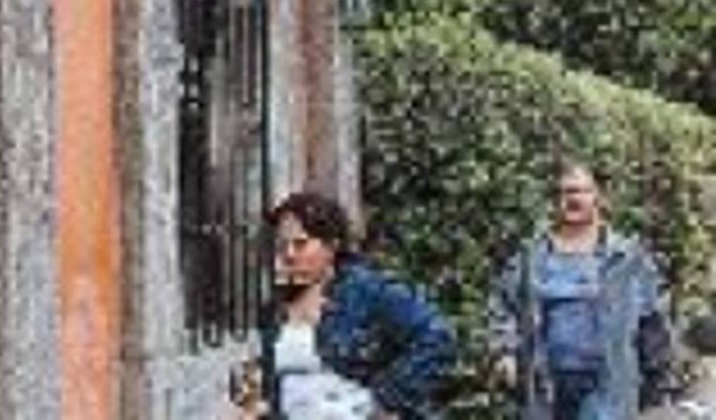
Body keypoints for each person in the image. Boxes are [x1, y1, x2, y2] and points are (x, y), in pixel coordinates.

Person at [237, 191, 455, 419]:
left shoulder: (366, 291)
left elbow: (438, 336)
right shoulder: (274, 309)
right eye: (282, 246)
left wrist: (383, 401)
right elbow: (282, 387)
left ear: (331, 245)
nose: (289, 255)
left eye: (300, 244)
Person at [489, 160, 675, 419]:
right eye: (565, 192)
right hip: (546, 393)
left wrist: (657, 383)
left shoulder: (626, 258)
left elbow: (653, 322)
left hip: (609, 392)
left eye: (581, 191)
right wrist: (505, 353)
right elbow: (503, 306)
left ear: (598, 196)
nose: (573, 199)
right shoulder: (531, 258)